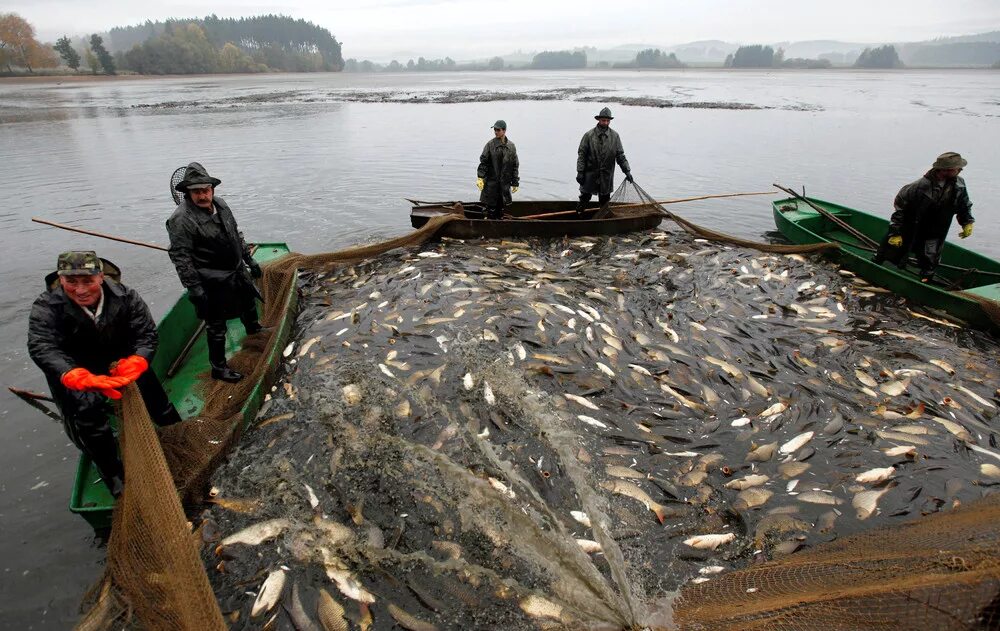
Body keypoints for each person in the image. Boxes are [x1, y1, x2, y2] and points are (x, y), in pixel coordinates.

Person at [27, 251, 182, 497]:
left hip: (121, 362)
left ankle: (180, 437)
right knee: (89, 420)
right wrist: (71, 374)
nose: (80, 290)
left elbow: (146, 334)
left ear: (100, 277)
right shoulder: (46, 306)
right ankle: (112, 473)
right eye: (71, 282)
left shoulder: (126, 296)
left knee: (157, 400)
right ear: (61, 279)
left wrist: (138, 360)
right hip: (77, 371)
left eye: (87, 281)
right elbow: (42, 345)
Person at [166, 162, 265, 383]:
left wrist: (249, 259)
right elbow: (180, 257)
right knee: (216, 325)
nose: (202, 195)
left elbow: (235, 233)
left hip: (236, 270)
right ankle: (218, 367)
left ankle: (254, 330)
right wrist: (195, 288)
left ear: (212, 189)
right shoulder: (180, 220)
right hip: (210, 279)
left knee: (249, 302)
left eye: (205, 190)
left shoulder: (220, 204)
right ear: (188, 193)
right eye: (196, 192)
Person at [873, 152, 975, 282]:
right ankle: (875, 263)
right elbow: (900, 209)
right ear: (945, 170)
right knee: (892, 248)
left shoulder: (959, 184)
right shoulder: (919, 186)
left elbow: (964, 204)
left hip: (936, 227)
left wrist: (967, 222)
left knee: (930, 256)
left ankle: (926, 278)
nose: (961, 170)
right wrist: (895, 233)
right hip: (912, 223)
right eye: (958, 168)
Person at [576, 107, 633, 214]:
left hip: (606, 175)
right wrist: (580, 172)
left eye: (607, 121)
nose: (605, 122)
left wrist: (627, 171)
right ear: (599, 120)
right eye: (603, 120)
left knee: (605, 200)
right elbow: (581, 155)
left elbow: (620, 156)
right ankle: (579, 215)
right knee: (584, 197)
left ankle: (602, 221)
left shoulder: (615, 136)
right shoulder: (588, 135)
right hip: (589, 174)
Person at [477, 119, 520, 219]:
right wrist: (480, 177)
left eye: (498, 130)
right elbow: (484, 163)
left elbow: (515, 165)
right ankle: (489, 227)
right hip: (491, 184)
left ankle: (499, 225)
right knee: (491, 209)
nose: (496, 132)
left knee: (501, 209)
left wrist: (515, 182)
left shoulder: (511, 147)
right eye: (494, 130)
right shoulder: (490, 145)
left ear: (504, 131)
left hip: (504, 184)